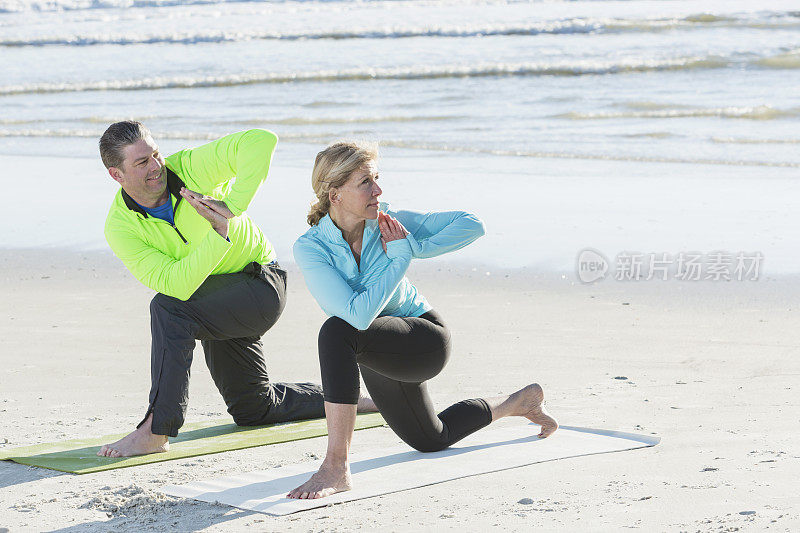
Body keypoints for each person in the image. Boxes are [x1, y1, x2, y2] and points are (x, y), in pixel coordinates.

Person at [287, 141, 558, 499]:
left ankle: (336, 466)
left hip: (424, 338)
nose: (378, 190)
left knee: (335, 333)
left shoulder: (390, 222)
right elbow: (357, 313)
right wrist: (400, 254)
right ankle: (518, 402)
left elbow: (472, 225)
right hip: (376, 348)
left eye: (377, 179)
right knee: (432, 439)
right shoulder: (311, 247)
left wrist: (407, 248)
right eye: (365, 182)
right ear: (334, 193)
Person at [96, 121, 372, 458]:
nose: (156, 167)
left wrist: (232, 207)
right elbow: (175, 284)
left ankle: (157, 430)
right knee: (254, 409)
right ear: (116, 174)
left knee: (167, 310)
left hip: (260, 284)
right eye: (141, 163)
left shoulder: (190, 167)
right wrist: (217, 234)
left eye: (155, 154)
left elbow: (261, 141)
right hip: (212, 302)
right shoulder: (121, 226)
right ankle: (353, 400)